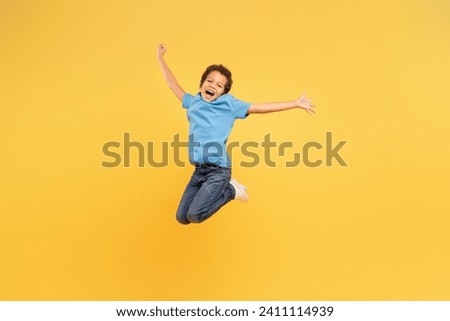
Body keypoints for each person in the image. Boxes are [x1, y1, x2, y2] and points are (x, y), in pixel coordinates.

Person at [156, 43, 316, 225]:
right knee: (182, 218)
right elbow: (172, 84)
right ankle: (228, 189)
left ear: (224, 91)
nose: (213, 86)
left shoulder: (229, 105)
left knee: (195, 216)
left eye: (219, 85)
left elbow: (261, 108)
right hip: (199, 170)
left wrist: (295, 103)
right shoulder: (193, 102)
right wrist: (160, 59)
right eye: (209, 81)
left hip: (218, 171)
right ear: (202, 83)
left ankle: (231, 190)